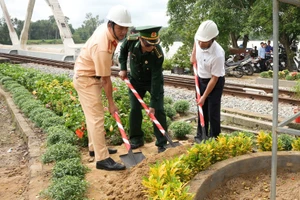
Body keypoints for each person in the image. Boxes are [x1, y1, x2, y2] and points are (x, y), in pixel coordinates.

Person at [73, 5, 132, 171]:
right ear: (111, 25)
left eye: (125, 28)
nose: (123, 32)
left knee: (91, 117)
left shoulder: (107, 32)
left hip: (88, 75)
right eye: (120, 28)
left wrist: (107, 61)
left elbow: (104, 59)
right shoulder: (102, 46)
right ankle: (102, 159)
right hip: (87, 80)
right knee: (97, 118)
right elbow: (106, 80)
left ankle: (95, 148)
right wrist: (111, 104)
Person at [118, 26, 168, 153]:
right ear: (140, 39)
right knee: (135, 109)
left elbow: (156, 79)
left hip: (152, 81)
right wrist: (123, 68)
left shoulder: (158, 54)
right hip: (135, 80)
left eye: (153, 44)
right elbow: (122, 51)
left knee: (159, 110)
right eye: (147, 45)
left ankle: (162, 142)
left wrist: (152, 104)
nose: (151, 48)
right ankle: (136, 139)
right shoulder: (130, 40)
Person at [190, 20, 225, 143]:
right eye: (199, 40)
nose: (200, 43)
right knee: (201, 108)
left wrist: (204, 96)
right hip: (200, 79)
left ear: (212, 39)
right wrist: (193, 54)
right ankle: (200, 135)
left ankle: (214, 138)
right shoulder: (199, 38)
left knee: (212, 112)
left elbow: (215, 78)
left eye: (203, 42)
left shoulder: (218, 54)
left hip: (214, 82)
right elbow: (195, 46)